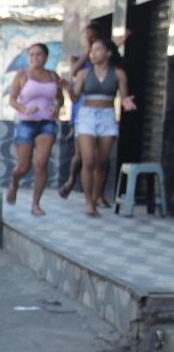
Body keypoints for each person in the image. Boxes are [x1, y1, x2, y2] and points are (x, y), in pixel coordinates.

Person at [70, 38, 136, 217]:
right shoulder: (84, 74)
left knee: (102, 162)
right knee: (88, 160)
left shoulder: (118, 73)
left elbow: (123, 97)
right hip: (87, 116)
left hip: (107, 116)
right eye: (92, 50)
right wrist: (68, 88)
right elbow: (75, 98)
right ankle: (89, 203)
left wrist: (126, 101)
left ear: (108, 53)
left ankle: (96, 195)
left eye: (98, 49)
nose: (93, 53)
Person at [6, 43, 65, 216]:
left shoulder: (53, 76)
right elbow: (12, 99)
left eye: (38, 54)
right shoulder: (22, 75)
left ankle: (35, 204)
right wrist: (24, 110)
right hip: (26, 123)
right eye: (31, 55)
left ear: (46, 57)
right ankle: (14, 182)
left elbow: (60, 98)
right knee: (23, 167)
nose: (35, 58)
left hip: (47, 122)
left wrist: (57, 108)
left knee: (41, 163)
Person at [59, 23, 100, 198]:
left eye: (92, 35)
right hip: (80, 107)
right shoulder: (77, 56)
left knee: (99, 156)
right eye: (86, 35)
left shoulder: (102, 56)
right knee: (80, 154)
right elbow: (73, 73)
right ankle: (71, 180)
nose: (89, 38)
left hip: (100, 107)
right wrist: (87, 53)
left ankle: (98, 194)